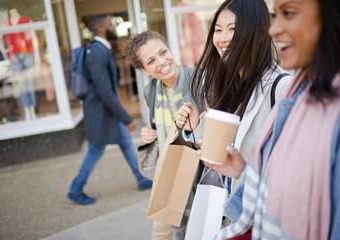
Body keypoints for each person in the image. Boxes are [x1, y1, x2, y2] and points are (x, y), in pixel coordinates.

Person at [202, 0, 340, 239]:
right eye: (218, 29)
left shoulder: (287, 89)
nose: (274, 29)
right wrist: (241, 171)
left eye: (288, 13)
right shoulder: (233, 84)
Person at [176, 0, 292, 222]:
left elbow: (294, 174)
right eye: (218, 30)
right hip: (236, 216)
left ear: (259, 33)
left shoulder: (282, 88)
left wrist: (242, 171)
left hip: (267, 221)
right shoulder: (232, 85)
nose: (222, 38)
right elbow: (225, 155)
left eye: (233, 29)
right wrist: (197, 127)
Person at [123, 31, 203, 240]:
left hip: (201, 172)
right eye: (151, 61)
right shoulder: (150, 91)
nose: (161, 61)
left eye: (163, 52)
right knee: (178, 229)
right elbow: (160, 130)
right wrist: (149, 134)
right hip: (170, 173)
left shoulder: (199, 79)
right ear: (144, 70)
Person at [67, 14, 152, 205]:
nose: (114, 27)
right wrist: (126, 117)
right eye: (111, 24)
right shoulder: (97, 53)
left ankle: (141, 178)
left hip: (106, 113)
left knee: (125, 142)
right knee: (96, 150)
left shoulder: (101, 50)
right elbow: (105, 92)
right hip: (100, 114)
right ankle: (76, 188)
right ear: (101, 28)